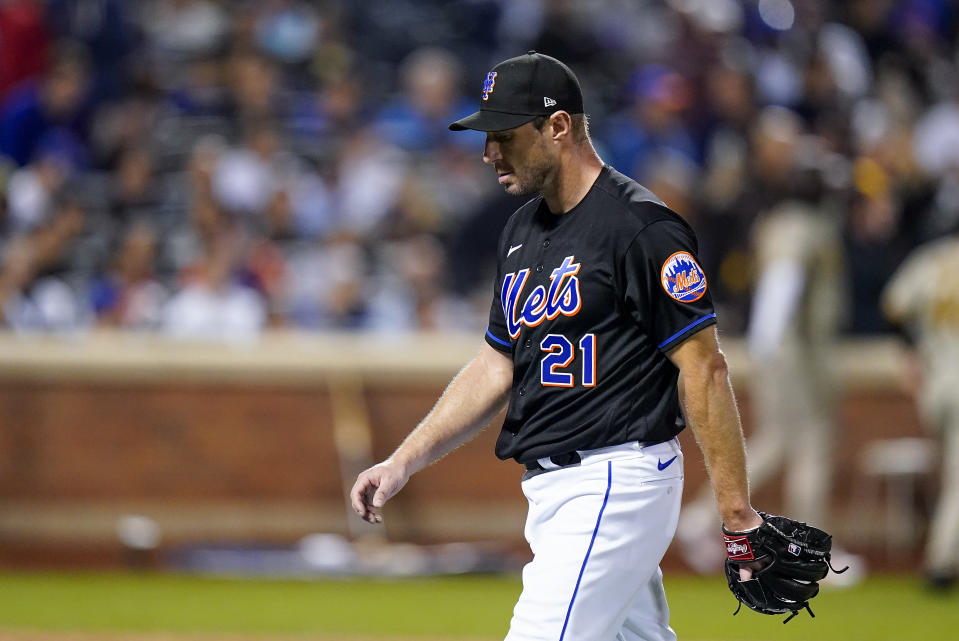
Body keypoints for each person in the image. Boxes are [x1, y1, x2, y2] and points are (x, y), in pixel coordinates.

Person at [350, 51, 763, 640]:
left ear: (559, 127)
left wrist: (736, 513)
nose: (490, 152)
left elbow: (705, 368)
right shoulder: (522, 229)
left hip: (615, 478)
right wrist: (403, 460)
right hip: (555, 492)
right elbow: (497, 364)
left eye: (505, 134)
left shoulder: (641, 229)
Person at [882, 232, 959, 591]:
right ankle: (941, 561)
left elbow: (893, 308)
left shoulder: (930, 258)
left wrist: (911, 354)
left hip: (936, 382)